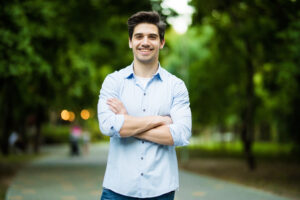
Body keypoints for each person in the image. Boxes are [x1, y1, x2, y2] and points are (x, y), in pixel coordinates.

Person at [97, 11, 192, 200]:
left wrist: (127, 123)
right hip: (117, 190)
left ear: (162, 43)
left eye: (152, 37)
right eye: (139, 36)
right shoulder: (113, 82)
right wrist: (160, 121)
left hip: (160, 191)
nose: (145, 42)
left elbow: (181, 134)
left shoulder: (176, 86)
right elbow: (108, 125)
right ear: (130, 42)